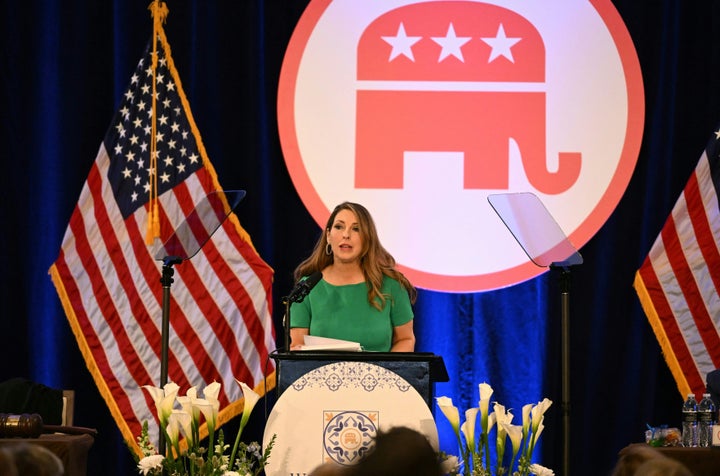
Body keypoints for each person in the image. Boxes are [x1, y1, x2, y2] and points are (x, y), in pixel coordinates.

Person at [289, 201, 416, 352]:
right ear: (328, 236)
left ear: (367, 239)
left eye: (356, 229)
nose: (346, 235)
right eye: (339, 227)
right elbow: (297, 347)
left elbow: (406, 339)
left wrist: (385, 372)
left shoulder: (392, 285)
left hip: (379, 375)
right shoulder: (306, 288)